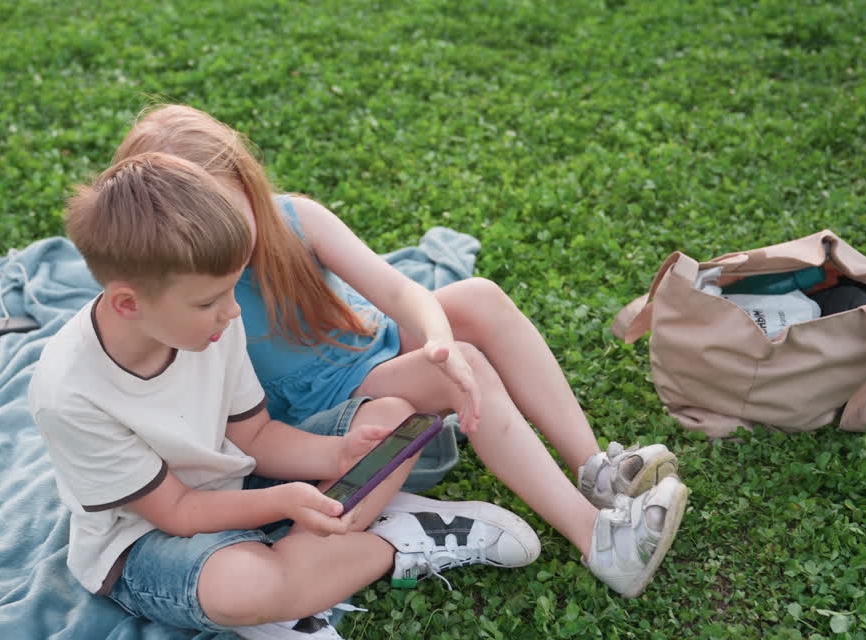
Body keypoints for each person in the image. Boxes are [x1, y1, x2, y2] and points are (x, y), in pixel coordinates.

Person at [112, 105, 691, 598]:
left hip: (378, 356)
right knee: (465, 370)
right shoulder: (195, 299)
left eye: (231, 211)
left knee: (477, 300)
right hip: (334, 419)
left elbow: (396, 291)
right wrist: (447, 365)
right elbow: (233, 429)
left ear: (251, 186)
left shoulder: (293, 218)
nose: (225, 235)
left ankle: (596, 470)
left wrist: (436, 337)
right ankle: (597, 538)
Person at [29, 153, 540, 640]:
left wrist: (340, 453)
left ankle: (297, 583)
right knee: (242, 586)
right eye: (211, 301)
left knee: (390, 415)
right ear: (127, 304)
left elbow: (254, 434)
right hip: (146, 537)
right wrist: (283, 501)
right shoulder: (70, 392)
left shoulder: (208, 321)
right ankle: (394, 541)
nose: (233, 313)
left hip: (240, 478)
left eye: (232, 291)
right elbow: (179, 510)